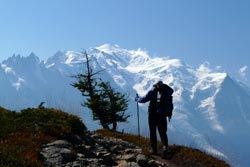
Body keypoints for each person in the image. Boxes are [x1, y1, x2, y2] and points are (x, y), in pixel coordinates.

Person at [135, 81, 174, 158]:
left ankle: (154, 150)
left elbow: (143, 99)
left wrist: (137, 99)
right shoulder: (167, 92)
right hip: (162, 115)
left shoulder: (153, 91)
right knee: (163, 133)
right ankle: (165, 149)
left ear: (156, 85)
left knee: (153, 132)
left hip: (152, 115)